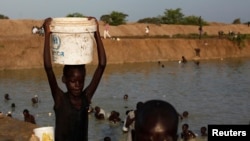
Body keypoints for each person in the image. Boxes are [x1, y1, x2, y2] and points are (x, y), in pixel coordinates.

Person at [43, 16, 106, 141]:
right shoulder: (60, 99)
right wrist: (47, 35)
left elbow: (102, 65)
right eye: (72, 81)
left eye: (80, 81)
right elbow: (48, 68)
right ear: (64, 80)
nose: (77, 85)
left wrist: (96, 32)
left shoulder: (86, 97)